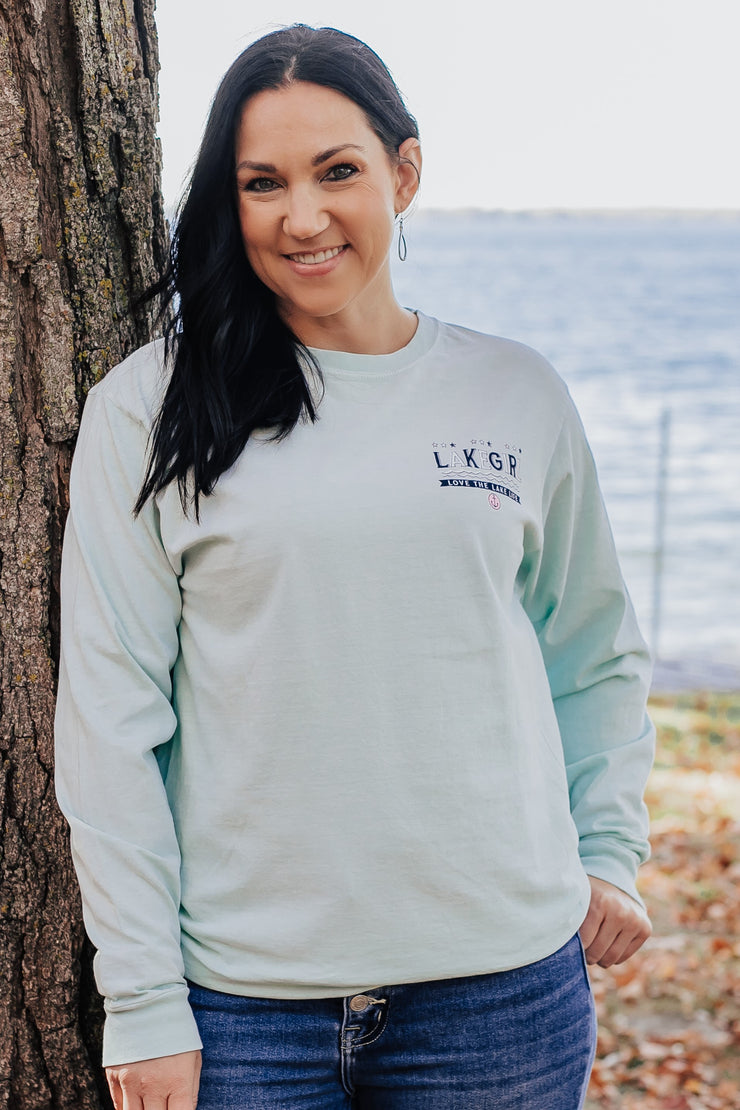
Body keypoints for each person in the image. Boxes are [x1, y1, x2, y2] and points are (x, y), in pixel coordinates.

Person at [54, 23, 654, 1110]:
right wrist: (141, 999)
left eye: (337, 171)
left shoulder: (514, 393)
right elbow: (109, 718)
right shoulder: (151, 410)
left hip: (500, 994)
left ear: (403, 173)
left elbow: (592, 650)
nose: (301, 216)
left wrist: (608, 848)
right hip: (244, 1012)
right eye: (262, 183)